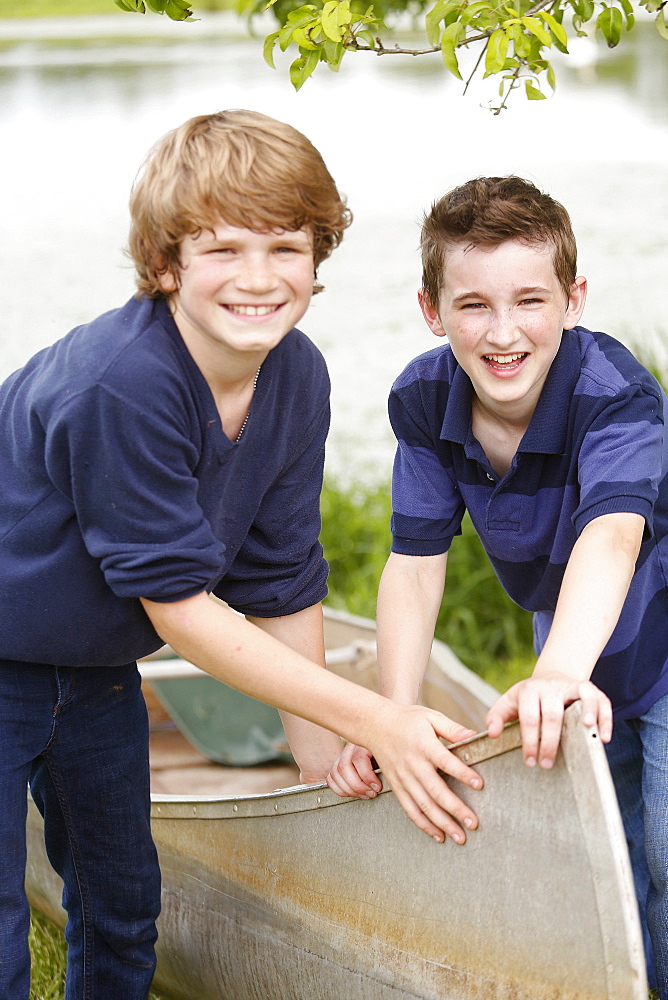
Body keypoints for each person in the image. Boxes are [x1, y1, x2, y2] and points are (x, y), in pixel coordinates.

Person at [0, 110, 487, 1000]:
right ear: (165, 265)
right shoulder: (123, 383)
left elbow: (281, 574)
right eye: (221, 250)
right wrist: (377, 718)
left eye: (285, 248)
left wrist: (315, 752)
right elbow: (183, 611)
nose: (258, 279)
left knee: (121, 900)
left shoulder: (296, 374)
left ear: (318, 256)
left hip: (98, 665)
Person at [327, 175, 668, 997]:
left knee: (665, 856)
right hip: (577, 646)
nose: (504, 332)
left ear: (574, 299)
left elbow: (612, 535)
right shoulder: (423, 397)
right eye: (474, 305)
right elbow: (414, 564)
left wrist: (556, 674)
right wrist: (392, 713)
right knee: (601, 869)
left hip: (645, 648)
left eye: (530, 300)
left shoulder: (614, 393)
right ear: (432, 310)